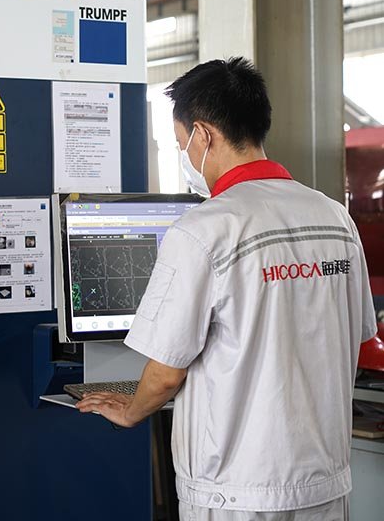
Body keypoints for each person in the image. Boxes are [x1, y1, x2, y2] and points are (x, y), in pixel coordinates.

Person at [76, 58, 377, 520]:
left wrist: (132, 410)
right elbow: (356, 337)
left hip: (234, 492)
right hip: (324, 485)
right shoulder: (335, 217)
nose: (184, 154)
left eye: (181, 143)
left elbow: (167, 371)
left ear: (203, 134)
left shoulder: (204, 229)